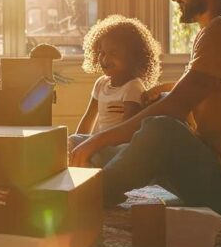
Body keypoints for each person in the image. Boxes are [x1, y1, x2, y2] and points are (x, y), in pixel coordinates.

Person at [69, 0, 221, 216]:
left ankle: (91, 193)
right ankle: (87, 180)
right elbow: (199, 88)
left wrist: (100, 139)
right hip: (207, 173)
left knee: (161, 130)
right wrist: (161, 91)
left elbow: (175, 107)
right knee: (79, 142)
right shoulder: (219, 30)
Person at [68, 15, 161, 167]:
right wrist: (79, 145)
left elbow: (127, 131)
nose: (105, 59)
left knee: (97, 157)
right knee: (70, 142)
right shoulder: (101, 84)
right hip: (99, 144)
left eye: (113, 53)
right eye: (102, 52)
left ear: (133, 56)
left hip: (119, 148)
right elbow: (88, 118)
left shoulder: (133, 87)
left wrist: (94, 145)